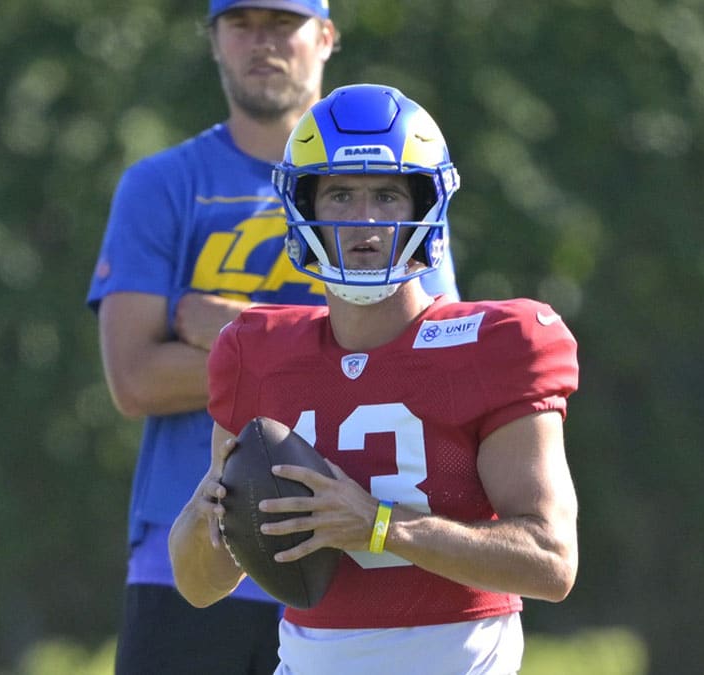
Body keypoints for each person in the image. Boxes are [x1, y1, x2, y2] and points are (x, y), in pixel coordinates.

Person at [86, 2, 461, 673]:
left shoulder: (398, 178)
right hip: (197, 550)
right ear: (214, 41)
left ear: (325, 37)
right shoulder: (161, 184)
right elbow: (135, 377)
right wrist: (337, 341)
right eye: (242, 23)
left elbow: (428, 367)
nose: (262, 43)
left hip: (359, 547)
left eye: (282, 23)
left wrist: (235, 331)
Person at [169, 83, 580, 674]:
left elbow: (551, 561)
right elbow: (199, 585)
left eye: (387, 194)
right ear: (304, 206)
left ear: (425, 206)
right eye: (339, 195)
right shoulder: (255, 350)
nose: (363, 220)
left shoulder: (497, 345)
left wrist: (381, 525)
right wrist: (206, 516)